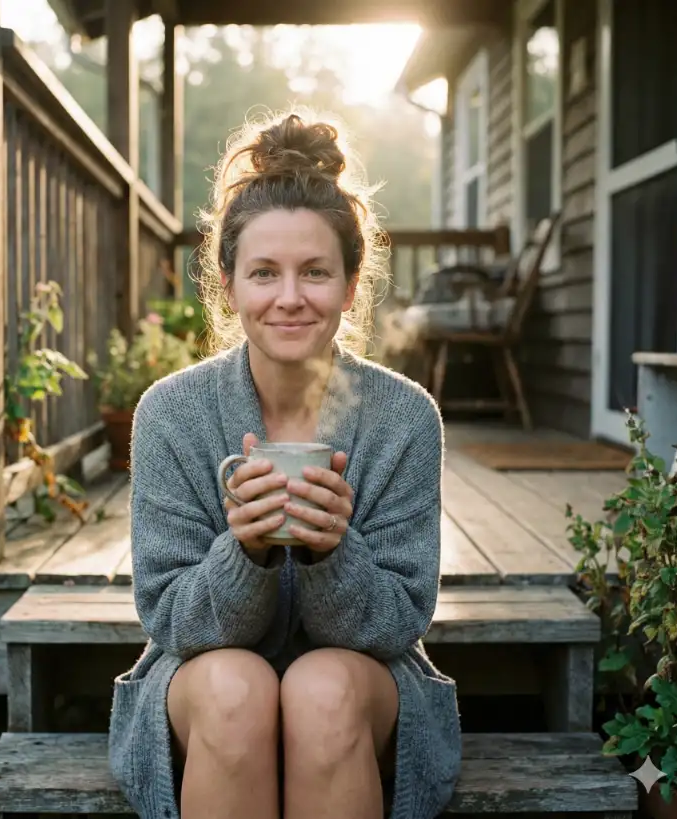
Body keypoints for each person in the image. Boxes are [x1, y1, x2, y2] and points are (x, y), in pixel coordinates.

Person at [109, 110, 461, 819]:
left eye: (316, 272)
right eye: (264, 272)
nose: (290, 297)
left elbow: (400, 619)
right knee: (237, 688)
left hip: (360, 688)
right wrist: (242, 551)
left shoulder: (404, 418)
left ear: (352, 283)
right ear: (229, 284)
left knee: (319, 689)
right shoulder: (171, 413)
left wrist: (334, 550)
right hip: (204, 687)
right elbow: (170, 618)